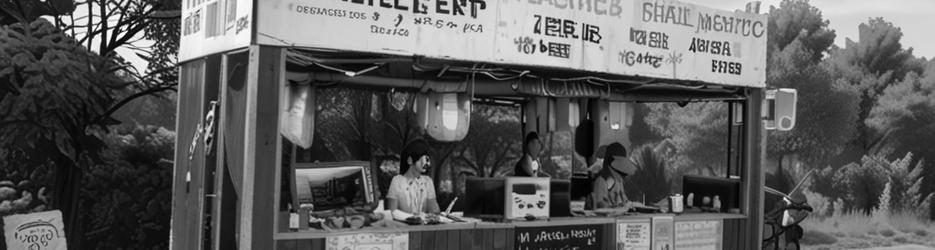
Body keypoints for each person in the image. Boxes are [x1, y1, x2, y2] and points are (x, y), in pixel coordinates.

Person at [387, 140, 441, 217]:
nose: (425, 163)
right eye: (421, 159)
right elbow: (392, 212)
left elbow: (434, 210)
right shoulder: (397, 181)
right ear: (410, 160)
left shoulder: (427, 181)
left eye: (427, 159)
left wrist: (435, 210)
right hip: (403, 227)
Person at [588, 142, 636, 209]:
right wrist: (617, 208)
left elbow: (624, 200)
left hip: (620, 217)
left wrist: (629, 205)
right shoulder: (602, 180)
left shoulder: (619, 180)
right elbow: (600, 205)